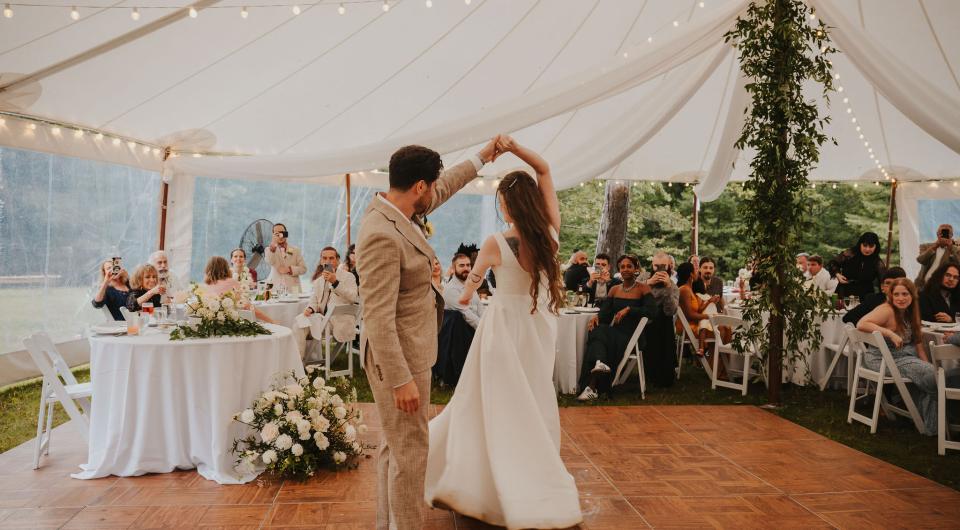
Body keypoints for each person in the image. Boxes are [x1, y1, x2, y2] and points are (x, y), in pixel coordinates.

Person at [425, 136, 582, 529]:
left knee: (491, 401)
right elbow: (544, 170)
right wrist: (515, 151)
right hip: (540, 326)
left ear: (507, 205)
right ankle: (536, 469)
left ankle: (486, 478)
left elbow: (464, 298)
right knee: (534, 394)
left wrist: (459, 288)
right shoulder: (551, 233)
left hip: (503, 329)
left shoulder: (495, 243)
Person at [357, 135, 502, 530]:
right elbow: (378, 317)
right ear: (419, 186)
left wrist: (483, 156)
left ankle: (388, 523)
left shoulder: (402, 210)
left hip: (412, 348)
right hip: (397, 357)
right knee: (410, 453)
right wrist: (401, 379)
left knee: (396, 445)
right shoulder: (381, 233)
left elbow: (449, 183)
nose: (436, 192)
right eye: (432, 186)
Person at [856, 278, 937, 435]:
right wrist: (889, 333)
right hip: (882, 360)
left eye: (905, 294)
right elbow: (861, 323)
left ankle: (927, 419)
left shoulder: (911, 312)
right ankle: (933, 424)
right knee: (933, 377)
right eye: (897, 294)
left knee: (932, 374)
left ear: (912, 295)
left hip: (903, 358)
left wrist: (927, 365)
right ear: (891, 296)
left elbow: (919, 345)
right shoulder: (887, 310)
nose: (901, 298)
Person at [577, 254, 657, 400]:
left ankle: (592, 386)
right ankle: (599, 366)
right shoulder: (614, 289)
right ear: (619, 269)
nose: (625, 269)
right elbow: (606, 314)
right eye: (622, 267)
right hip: (615, 332)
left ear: (636, 269)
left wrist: (629, 310)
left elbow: (652, 312)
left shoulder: (643, 288)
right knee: (597, 328)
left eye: (629, 266)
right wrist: (598, 317)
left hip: (633, 336)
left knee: (599, 334)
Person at [297, 247, 359, 357]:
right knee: (299, 324)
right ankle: (298, 363)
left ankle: (302, 362)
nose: (328, 261)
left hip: (340, 320)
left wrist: (335, 282)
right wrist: (311, 308)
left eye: (331, 258)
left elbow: (353, 297)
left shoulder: (348, 276)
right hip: (322, 318)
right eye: (324, 258)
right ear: (321, 261)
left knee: (302, 324)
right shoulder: (318, 281)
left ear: (338, 260)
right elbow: (314, 300)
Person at [642, 251, 679, 387]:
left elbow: (671, 311)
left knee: (664, 322)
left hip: (662, 322)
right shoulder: (644, 278)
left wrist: (668, 288)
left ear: (669, 266)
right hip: (642, 319)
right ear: (652, 265)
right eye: (656, 266)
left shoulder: (673, 286)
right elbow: (633, 295)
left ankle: (664, 374)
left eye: (663, 266)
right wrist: (649, 283)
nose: (660, 269)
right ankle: (652, 372)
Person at [834, 232, 885, 299]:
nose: (867, 249)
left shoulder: (878, 262)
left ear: (876, 246)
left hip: (865, 295)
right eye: (865, 245)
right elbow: (833, 263)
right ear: (860, 244)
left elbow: (884, 281)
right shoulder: (850, 254)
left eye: (871, 246)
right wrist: (837, 274)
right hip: (845, 291)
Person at [441, 253, 481, 329]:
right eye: (462, 265)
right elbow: (468, 315)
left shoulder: (471, 285)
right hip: (461, 334)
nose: (466, 268)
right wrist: (486, 330)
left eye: (468, 265)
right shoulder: (451, 289)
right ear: (453, 268)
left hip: (473, 330)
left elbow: (480, 308)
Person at [915, 224, 960, 291]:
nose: (944, 235)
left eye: (948, 233)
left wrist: (951, 249)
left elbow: (958, 264)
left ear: (951, 235)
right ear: (937, 234)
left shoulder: (955, 250)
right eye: (942, 233)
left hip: (942, 288)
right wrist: (935, 246)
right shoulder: (925, 246)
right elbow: (920, 260)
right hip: (922, 286)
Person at [265, 222, 307, 294]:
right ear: (273, 235)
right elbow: (269, 261)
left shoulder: (295, 250)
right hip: (275, 288)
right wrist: (273, 248)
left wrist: (290, 269)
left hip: (293, 288)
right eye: (277, 234)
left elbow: (303, 269)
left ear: (286, 234)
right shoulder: (269, 250)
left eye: (282, 233)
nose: (280, 236)